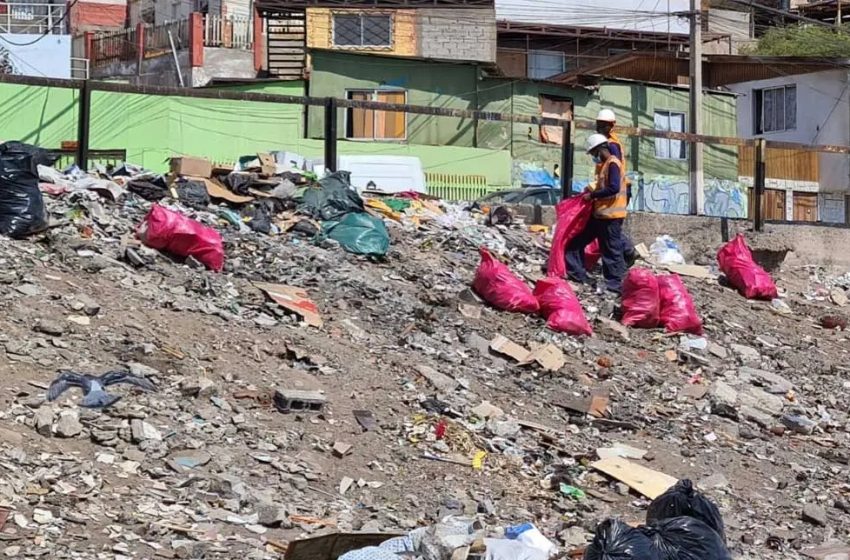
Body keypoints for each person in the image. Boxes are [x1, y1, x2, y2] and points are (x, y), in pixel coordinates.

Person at [566, 134, 627, 293]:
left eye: (594, 153)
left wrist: (592, 195)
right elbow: (604, 186)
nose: (594, 157)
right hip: (600, 216)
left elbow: (613, 188)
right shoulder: (606, 165)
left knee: (611, 252)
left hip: (610, 217)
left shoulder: (613, 164)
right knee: (576, 241)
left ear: (601, 149)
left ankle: (616, 286)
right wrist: (592, 190)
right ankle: (576, 274)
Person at [596, 109, 637, 266]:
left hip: (617, 189)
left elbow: (614, 170)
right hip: (616, 188)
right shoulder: (608, 142)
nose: (599, 127)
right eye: (598, 124)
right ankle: (626, 253)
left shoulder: (611, 145)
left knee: (611, 229)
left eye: (603, 125)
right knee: (610, 230)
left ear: (611, 126)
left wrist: (596, 193)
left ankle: (626, 254)